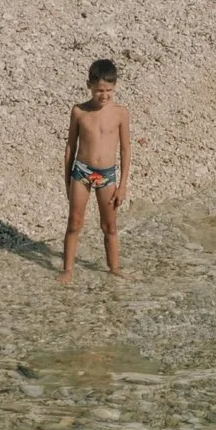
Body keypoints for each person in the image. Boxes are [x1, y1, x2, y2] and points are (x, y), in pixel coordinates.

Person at [59, 59, 131, 282]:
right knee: (74, 223)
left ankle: (114, 268)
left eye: (109, 90)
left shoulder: (120, 113)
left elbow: (126, 149)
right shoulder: (79, 111)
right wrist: (67, 180)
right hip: (81, 173)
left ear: (115, 86)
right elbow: (70, 146)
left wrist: (122, 185)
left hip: (107, 175)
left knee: (109, 226)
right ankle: (68, 270)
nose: (104, 95)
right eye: (99, 90)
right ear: (89, 86)